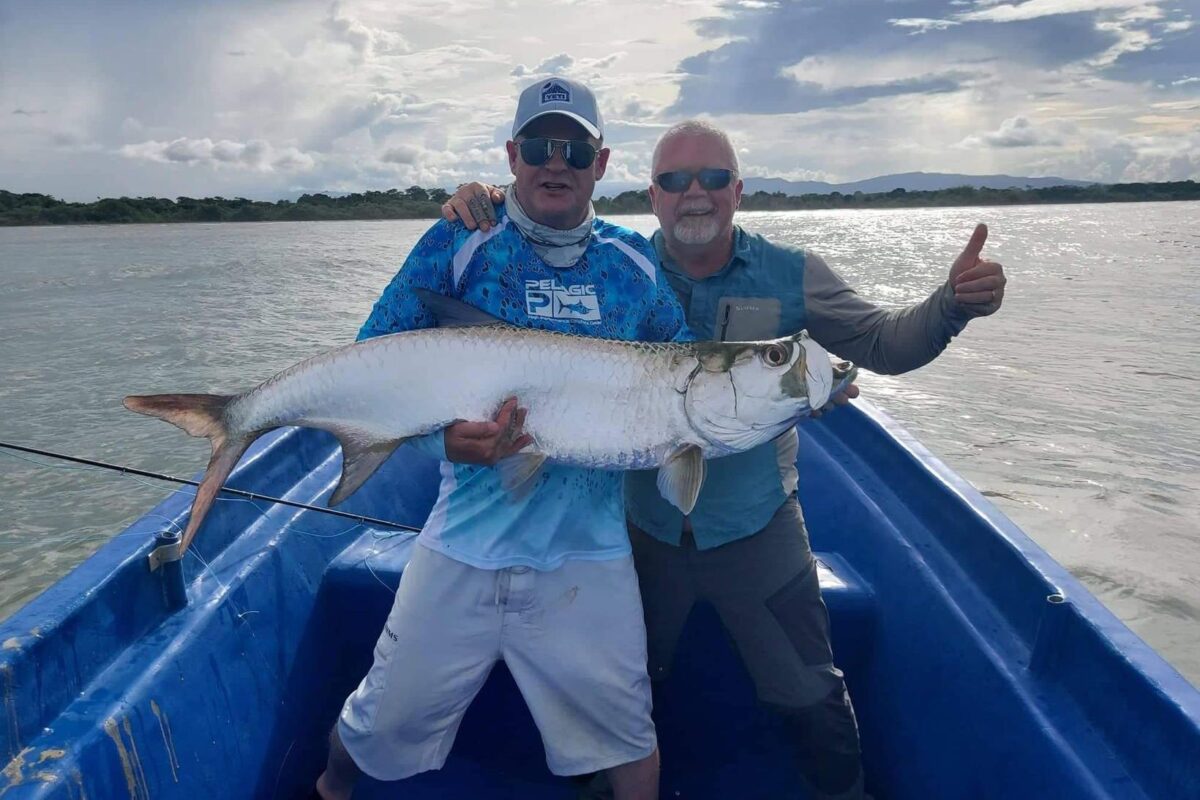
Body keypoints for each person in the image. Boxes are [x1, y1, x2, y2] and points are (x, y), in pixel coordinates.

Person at [443, 119, 1007, 800]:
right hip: (639, 528)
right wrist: (486, 203)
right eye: (675, 180)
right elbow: (526, 293)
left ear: (738, 191)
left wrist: (951, 306)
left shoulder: (791, 274)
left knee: (809, 696)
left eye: (713, 178)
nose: (695, 193)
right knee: (611, 698)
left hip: (758, 527)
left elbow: (885, 343)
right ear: (652, 195)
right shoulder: (615, 269)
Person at [315, 77, 688, 800]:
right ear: (513, 155)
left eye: (574, 150)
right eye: (540, 146)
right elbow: (372, 366)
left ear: (601, 163)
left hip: (587, 553)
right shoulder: (461, 240)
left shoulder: (634, 265)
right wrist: (442, 445)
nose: (556, 163)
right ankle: (327, 791)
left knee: (631, 745)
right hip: (464, 541)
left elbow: (680, 376)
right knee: (374, 730)